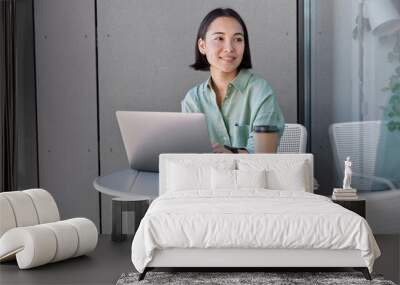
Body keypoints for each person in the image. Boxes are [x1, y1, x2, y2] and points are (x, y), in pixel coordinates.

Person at [181, 8, 285, 153]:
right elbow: (191, 154)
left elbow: (263, 155)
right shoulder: (192, 100)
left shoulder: (260, 91)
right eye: (219, 38)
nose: (229, 48)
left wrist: (233, 154)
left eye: (237, 39)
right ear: (202, 46)